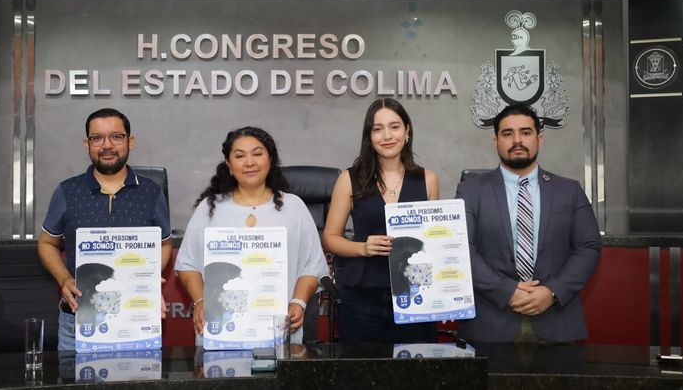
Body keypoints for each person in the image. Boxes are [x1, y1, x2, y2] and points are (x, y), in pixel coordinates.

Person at [455, 103, 601, 343]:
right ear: (495, 141)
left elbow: (589, 247)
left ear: (539, 139)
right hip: (490, 324)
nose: (517, 140)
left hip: (557, 321)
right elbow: (461, 250)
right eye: (507, 133)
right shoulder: (470, 191)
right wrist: (507, 291)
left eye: (525, 132)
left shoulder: (569, 190)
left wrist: (552, 291)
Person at [174, 126, 328, 344]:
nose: (249, 162)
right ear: (229, 165)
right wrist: (200, 301)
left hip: (281, 330)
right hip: (220, 330)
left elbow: (313, 265)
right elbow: (187, 264)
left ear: (270, 160)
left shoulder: (294, 207)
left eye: (257, 154)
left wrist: (299, 302)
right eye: (239, 156)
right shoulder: (210, 208)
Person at [37, 108, 172, 351]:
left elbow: (164, 243)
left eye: (116, 137)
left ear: (130, 141)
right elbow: (47, 243)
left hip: (136, 316)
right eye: (97, 138)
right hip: (78, 320)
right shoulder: (67, 191)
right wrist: (64, 278)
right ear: (87, 144)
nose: (107, 145)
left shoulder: (152, 192)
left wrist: (148, 276)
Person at [322, 98, 440, 344]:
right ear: (370, 136)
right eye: (378, 129)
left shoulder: (427, 179)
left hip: (415, 292)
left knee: (417, 365)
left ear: (407, 131)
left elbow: (432, 241)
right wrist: (362, 248)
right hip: (362, 297)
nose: (387, 135)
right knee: (363, 366)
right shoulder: (349, 179)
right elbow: (330, 239)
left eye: (394, 127)